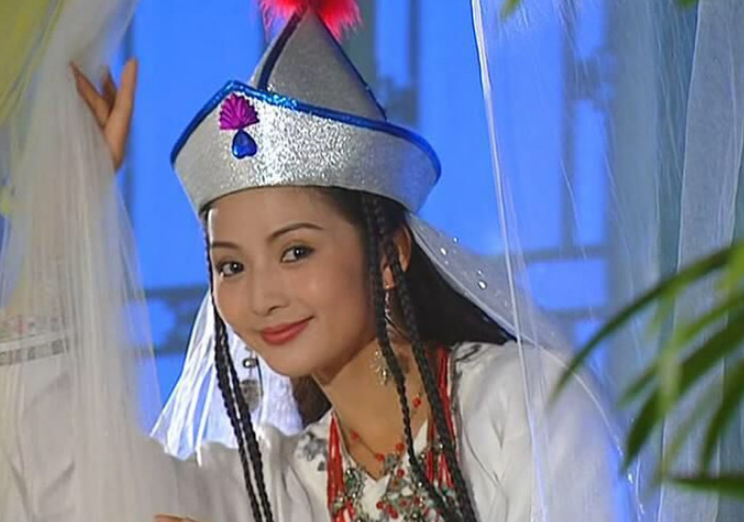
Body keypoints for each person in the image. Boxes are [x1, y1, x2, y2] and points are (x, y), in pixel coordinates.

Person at [1, 2, 638, 521]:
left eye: (295, 251)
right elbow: (66, 481)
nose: (262, 297)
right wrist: (63, 222)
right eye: (231, 267)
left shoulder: (521, 404)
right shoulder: (275, 485)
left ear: (389, 254)